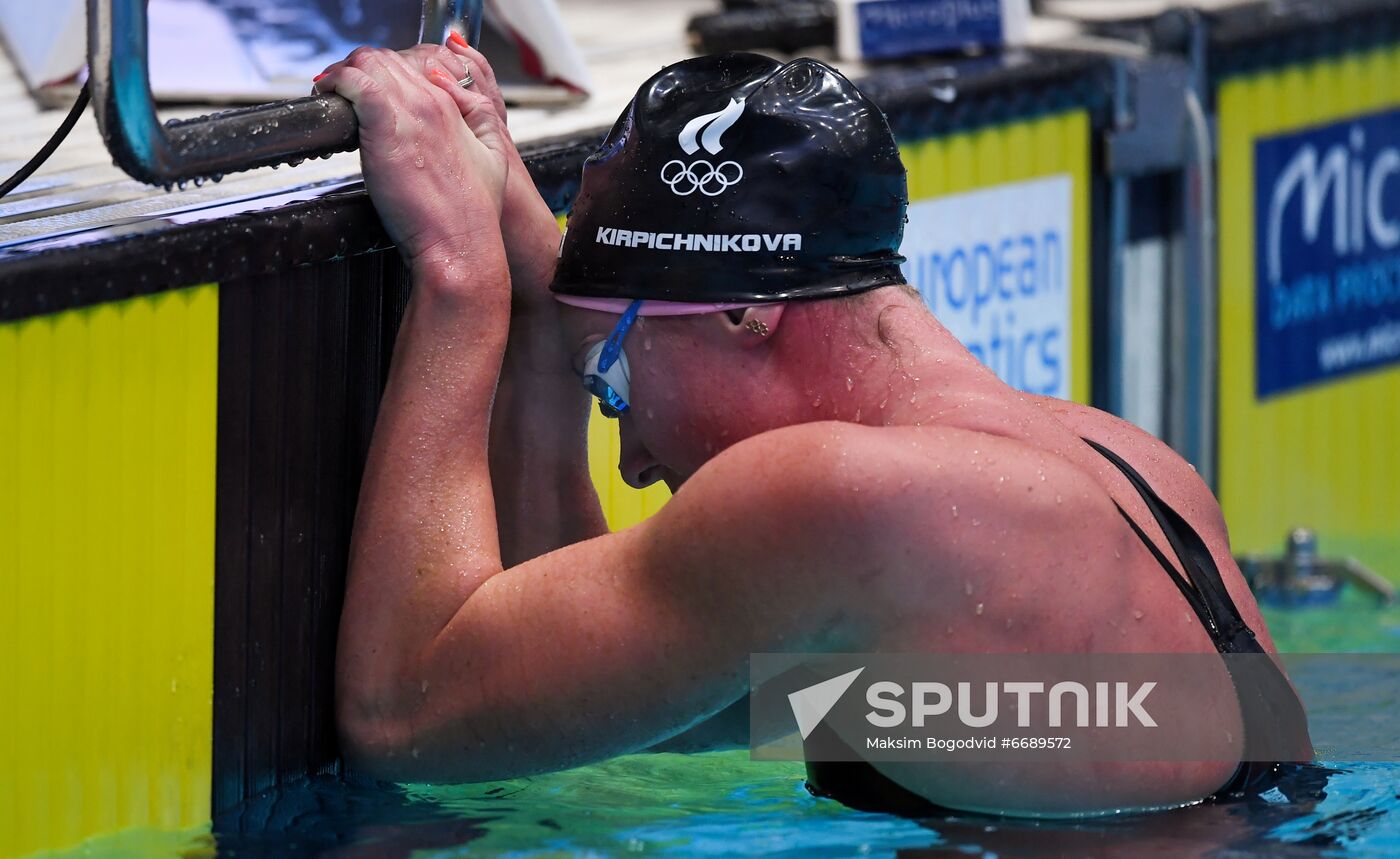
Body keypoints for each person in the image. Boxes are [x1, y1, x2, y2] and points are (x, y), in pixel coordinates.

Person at [315, 40, 1312, 817]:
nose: (628, 454)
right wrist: (547, 320)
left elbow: (405, 712)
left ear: (748, 313)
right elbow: (568, 698)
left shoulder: (841, 498)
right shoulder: (1121, 461)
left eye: (612, 381)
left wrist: (458, 282)